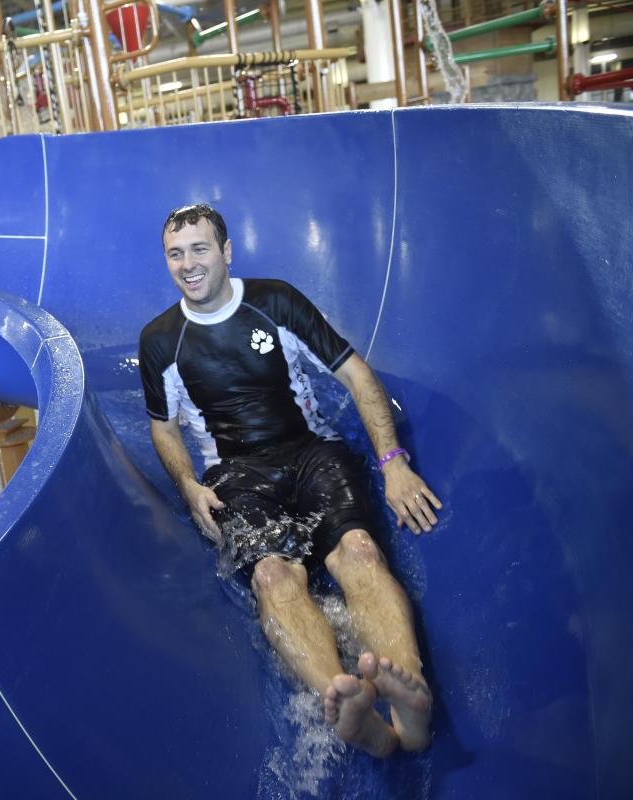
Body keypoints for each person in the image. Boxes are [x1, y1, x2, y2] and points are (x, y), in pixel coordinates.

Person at [138, 203, 444, 758]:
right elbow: (163, 429)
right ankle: (346, 701)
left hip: (312, 452)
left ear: (227, 252)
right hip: (234, 475)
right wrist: (187, 482)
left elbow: (355, 373)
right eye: (175, 254)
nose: (188, 264)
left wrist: (392, 461)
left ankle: (407, 702)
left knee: (358, 551)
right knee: (274, 578)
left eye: (200, 249)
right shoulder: (161, 340)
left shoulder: (274, 302)